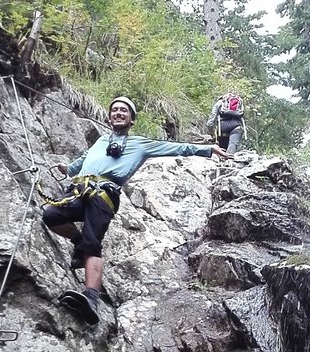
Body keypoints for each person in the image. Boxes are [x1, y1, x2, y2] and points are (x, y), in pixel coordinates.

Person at [42, 96, 229, 325]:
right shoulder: (101, 141)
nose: (118, 113)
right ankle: (79, 242)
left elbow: (176, 148)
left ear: (131, 120)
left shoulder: (140, 144)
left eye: (124, 111)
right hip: (80, 190)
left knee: (93, 243)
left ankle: (91, 298)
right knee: (51, 215)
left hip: (104, 196)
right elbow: (82, 161)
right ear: (110, 116)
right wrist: (68, 168)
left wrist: (206, 149)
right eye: (115, 110)